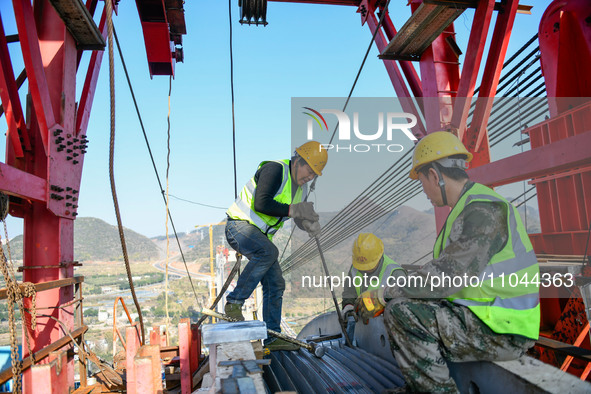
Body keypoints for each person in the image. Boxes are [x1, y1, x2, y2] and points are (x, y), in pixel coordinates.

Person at [356, 131, 540, 392]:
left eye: (422, 183)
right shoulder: (469, 207)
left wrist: (383, 294)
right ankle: (423, 385)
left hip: (503, 327)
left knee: (401, 312)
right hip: (486, 317)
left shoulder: (483, 210)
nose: (425, 193)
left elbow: (446, 277)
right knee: (408, 304)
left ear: (434, 175)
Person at [224, 141, 328, 351]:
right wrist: (297, 211)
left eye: (314, 174)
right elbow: (261, 203)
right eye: (309, 170)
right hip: (239, 227)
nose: (310, 177)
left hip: (258, 236)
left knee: (276, 283)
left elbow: (293, 213)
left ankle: (273, 336)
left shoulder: (300, 189)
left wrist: (307, 223)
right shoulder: (275, 170)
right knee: (268, 251)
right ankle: (234, 303)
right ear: (298, 160)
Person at [341, 233, 405, 339]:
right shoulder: (356, 267)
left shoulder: (395, 273)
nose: (364, 269)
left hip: (387, 332)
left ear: (378, 257)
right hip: (362, 329)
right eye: (361, 266)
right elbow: (349, 291)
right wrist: (348, 306)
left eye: (368, 266)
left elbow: (402, 309)